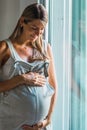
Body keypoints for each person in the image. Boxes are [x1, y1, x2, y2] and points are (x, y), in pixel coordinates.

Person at [0, 3, 58, 130]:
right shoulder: (4, 49)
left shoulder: (45, 48)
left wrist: (48, 119)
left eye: (42, 29)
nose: (38, 33)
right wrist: (21, 79)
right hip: (10, 126)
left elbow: (53, 85)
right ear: (22, 22)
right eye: (34, 28)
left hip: (40, 127)